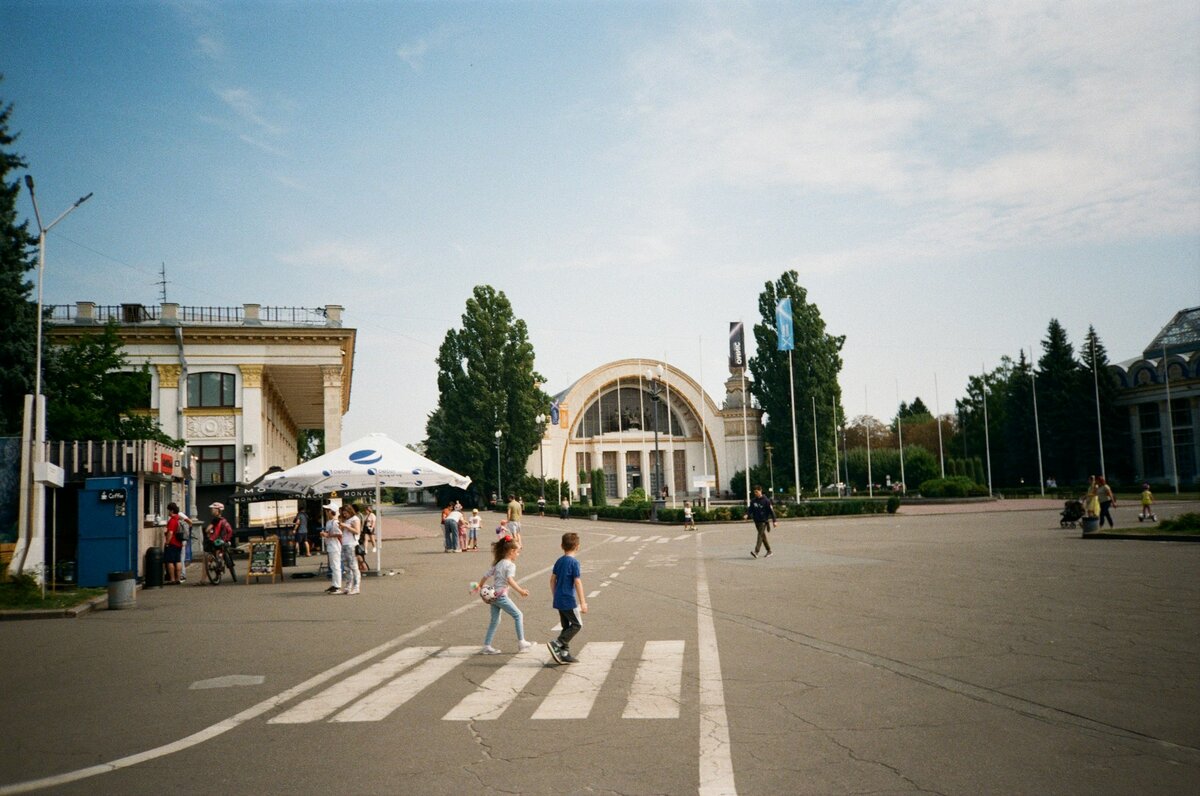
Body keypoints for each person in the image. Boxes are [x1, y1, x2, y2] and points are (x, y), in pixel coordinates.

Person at [476, 536, 535, 655]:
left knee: (495, 621)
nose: (518, 554)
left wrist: (480, 586)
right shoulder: (510, 565)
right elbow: (510, 580)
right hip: (501, 596)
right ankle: (522, 643)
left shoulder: (498, 563)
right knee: (518, 615)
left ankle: (487, 646)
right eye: (517, 552)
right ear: (511, 551)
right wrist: (521, 591)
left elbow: (486, 575)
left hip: (493, 596)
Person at [547, 532, 587, 665]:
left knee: (566, 626)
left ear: (561, 546)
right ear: (577, 546)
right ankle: (557, 643)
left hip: (559, 598)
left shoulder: (559, 561)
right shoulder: (574, 562)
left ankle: (564, 653)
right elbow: (577, 582)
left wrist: (555, 595)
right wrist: (583, 602)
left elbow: (552, 580)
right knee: (577, 625)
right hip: (569, 599)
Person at [200, 502, 236, 584]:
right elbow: (229, 531)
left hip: (214, 541)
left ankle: (203, 580)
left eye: (213, 509)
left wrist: (207, 532)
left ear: (218, 510)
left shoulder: (215, 520)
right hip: (222, 542)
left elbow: (208, 529)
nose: (211, 510)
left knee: (206, 559)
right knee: (219, 556)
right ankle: (219, 569)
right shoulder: (224, 520)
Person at [747, 485, 776, 559]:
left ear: (760, 491)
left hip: (763, 521)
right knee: (763, 537)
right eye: (754, 492)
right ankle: (769, 551)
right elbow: (750, 509)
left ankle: (756, 552)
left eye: (756, 492)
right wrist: (746, 514)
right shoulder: (754, 501)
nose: (755, 493)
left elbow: (771, 511)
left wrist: (774, 521)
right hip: (756, 521)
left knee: (759, 536)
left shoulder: (766, 501)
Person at [337, 505, 362, 594]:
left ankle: (356, 587)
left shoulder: (355, 519)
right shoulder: (346, 520)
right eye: (343, 513)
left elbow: (357, 531)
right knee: (346, 567)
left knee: (353, 566)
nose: (345, 515)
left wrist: (346, 526)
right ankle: (348, 586)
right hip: (344, 543)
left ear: (350, 511)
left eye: (346, 513)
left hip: (351, 544)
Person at [319, 506, 342, 593]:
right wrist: (325, 534)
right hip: (330, 545)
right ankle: (334, 584)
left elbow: (339, 534)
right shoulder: (329, 522)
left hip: (335, 546)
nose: (326, 512)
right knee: (333, 566)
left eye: (327, 511)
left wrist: (327, 535)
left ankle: (337, 586)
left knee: (336, 566)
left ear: (331, 512)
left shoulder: (335, 523)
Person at [163, 502, 188, 584]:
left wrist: (167, 543)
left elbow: (170, 533)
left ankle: (172, 579)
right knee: (178, 561)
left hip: (172, 543)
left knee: (170, 561)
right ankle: (178, 579)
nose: (168, 512)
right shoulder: (179, 519)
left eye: (169, 511)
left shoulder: (172, 520)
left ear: (172, 511)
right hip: (179, 543)